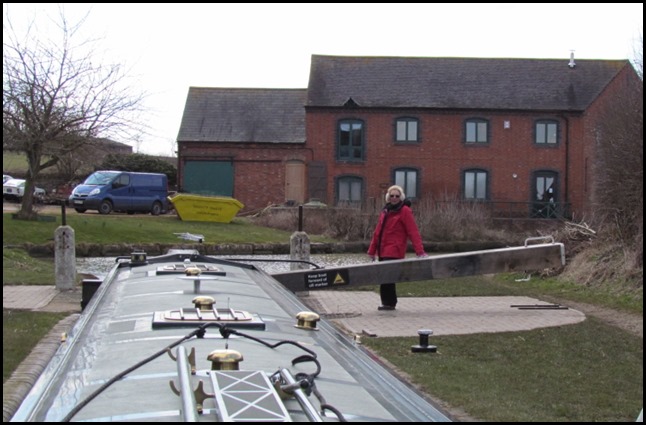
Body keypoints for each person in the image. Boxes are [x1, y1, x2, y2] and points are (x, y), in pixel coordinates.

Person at [367, 185, 427, 311]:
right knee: (383, 277)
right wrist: (372, 251)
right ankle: (386, 303)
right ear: (388, 197)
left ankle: (389, 303)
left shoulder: (404, 211)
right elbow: (377, 232)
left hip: (394, 249)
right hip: (383, 250)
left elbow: (413, 231)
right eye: (392, 196)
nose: (394, 198)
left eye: (397, 196)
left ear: (401, 197)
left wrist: (420, 251)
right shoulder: (386, 211)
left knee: (388, 276)